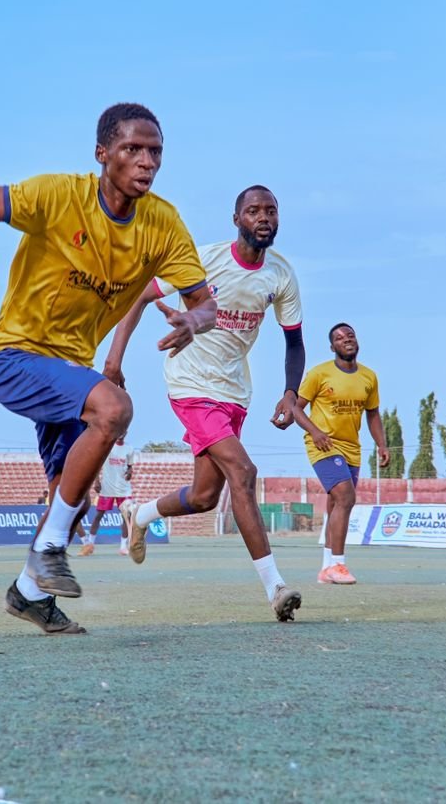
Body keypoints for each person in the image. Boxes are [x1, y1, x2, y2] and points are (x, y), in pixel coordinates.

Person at [0, 102, 217, 634]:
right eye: (132, 149)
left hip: (69, 368)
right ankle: (51, 548)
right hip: (14, 355)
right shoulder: (58, 195)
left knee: (72, 488)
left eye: (155, 152)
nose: (146, 162)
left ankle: (30, 593)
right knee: (114, 406)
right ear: (103, 154)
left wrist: (195, 321)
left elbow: (205, 300)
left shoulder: (163, 224)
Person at [106, 185, 305, 622]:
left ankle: (138, 515)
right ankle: (276, 588)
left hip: (234, 391)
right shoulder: (200, 260)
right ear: (237, 219)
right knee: (244, 472)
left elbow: (294, 342)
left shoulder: (281, 275)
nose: (263, 218)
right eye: (253, 211)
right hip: (190, 384)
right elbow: (139, 295)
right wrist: (114, 361)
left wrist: (291, 393)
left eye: (271, 211)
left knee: (203, 497)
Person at [291, 322, 389, 584]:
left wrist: (382, 444)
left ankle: (325, 569)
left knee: (336, 504)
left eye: (350, 335)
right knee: (346, 497)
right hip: (322, 445)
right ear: (332, 346)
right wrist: (315, 432)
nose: (346, 339)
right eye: (339, 337)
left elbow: (373, 413)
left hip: (351, 448)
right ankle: (338, 564)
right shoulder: (319, 374)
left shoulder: (369, 377)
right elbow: (296, 408)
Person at [80, 434, 134, 557]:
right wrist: (97, 481)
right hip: (107, 488)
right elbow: (98, 464)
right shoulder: (108, 447)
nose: (120, 434)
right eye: (119, 431)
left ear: (126, 432)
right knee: (99, 515)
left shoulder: (129, 448)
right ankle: (90, 544)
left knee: (127, 516)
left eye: (123, 431)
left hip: (124, 489)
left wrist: (129, 473)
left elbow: (130, 467)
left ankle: (123, 546)